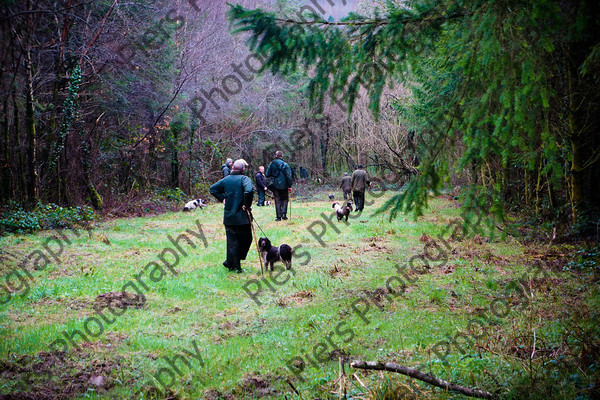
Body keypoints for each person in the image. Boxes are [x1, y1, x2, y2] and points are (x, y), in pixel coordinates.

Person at [210, 159, 254, 273]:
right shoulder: (244, 179)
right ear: (243, 169)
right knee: (246, 239)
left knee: (232, 242)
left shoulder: (226, 180)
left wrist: (222, 198)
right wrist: (247, 205)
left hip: (229, 217)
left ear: (233, 168)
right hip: (242, 218)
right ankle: (236, 265)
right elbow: (249, 191)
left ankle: (231, 263)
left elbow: (212, 189)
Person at [266, 150, 293, 221]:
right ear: (282, 156)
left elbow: (267, 174)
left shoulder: (272, 164)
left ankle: (278, 217)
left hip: (275, 184)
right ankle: (284, 214)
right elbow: (289, 176)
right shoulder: (285, 165)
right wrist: (289, 186)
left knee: (277, 200)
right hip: (284, 185)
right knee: (285, 199)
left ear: (276, 156)